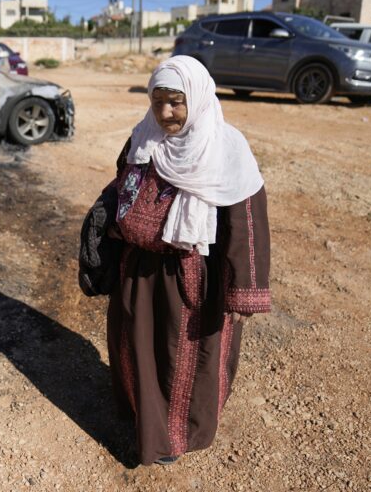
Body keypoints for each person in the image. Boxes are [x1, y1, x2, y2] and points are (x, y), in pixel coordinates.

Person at [99, 55, 271, 466]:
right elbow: (122, 189)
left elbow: (245, 223)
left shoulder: (226, 149)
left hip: (194, 278)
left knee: (184, 359)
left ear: (196, 97)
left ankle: (174, 437)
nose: (165, 112)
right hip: (138, 272)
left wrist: (243, 290)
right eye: (158, 101)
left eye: (176, 101)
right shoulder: (142, 138)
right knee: (137, 349)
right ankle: (144, 419)